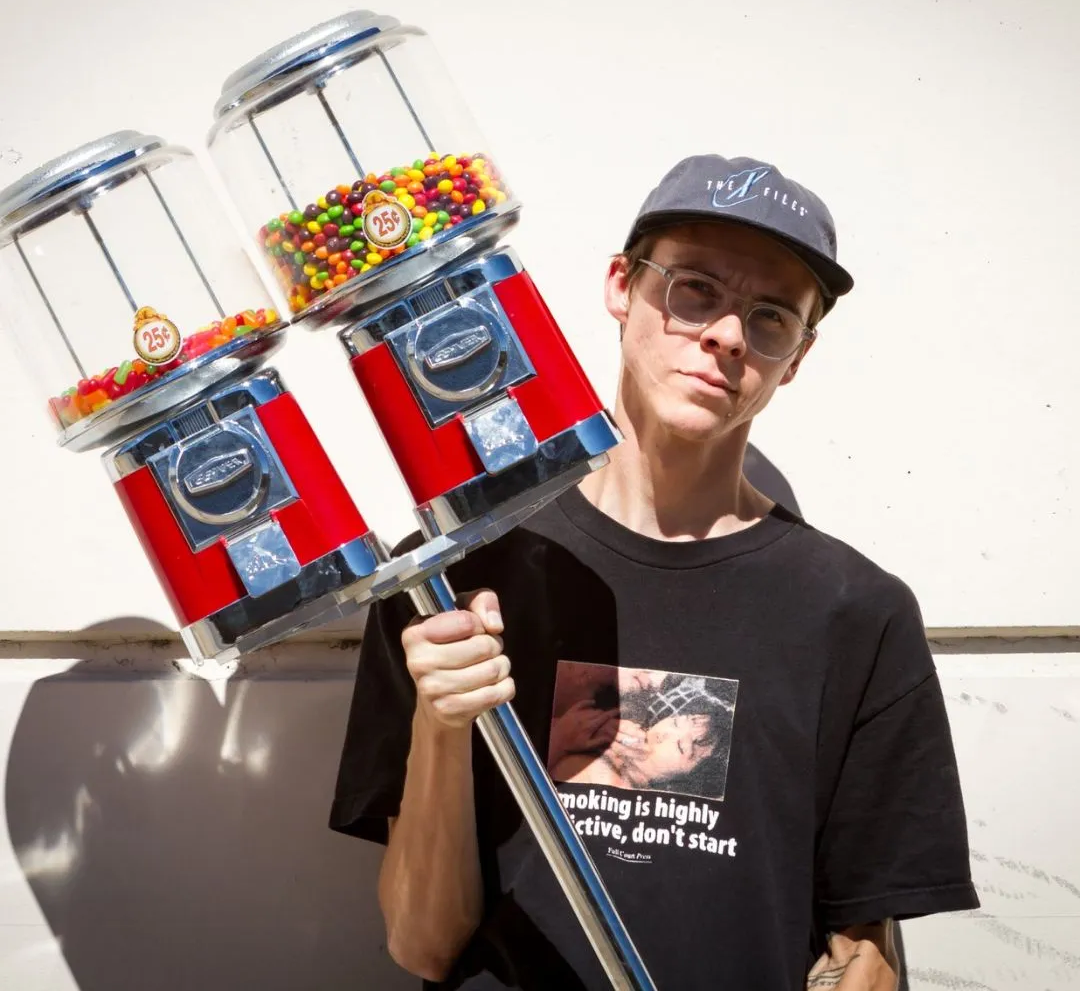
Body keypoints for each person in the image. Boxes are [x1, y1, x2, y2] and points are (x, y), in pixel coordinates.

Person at [330, 154, 979, 989]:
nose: (727, 334)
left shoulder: (855, 613)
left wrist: (867, 962)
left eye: (771, 315)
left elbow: (866, 947)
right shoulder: (455, 573)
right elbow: (423, 944)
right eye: (695, 289)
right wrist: (443, 719)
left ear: (800, 354)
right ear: (619, 286)